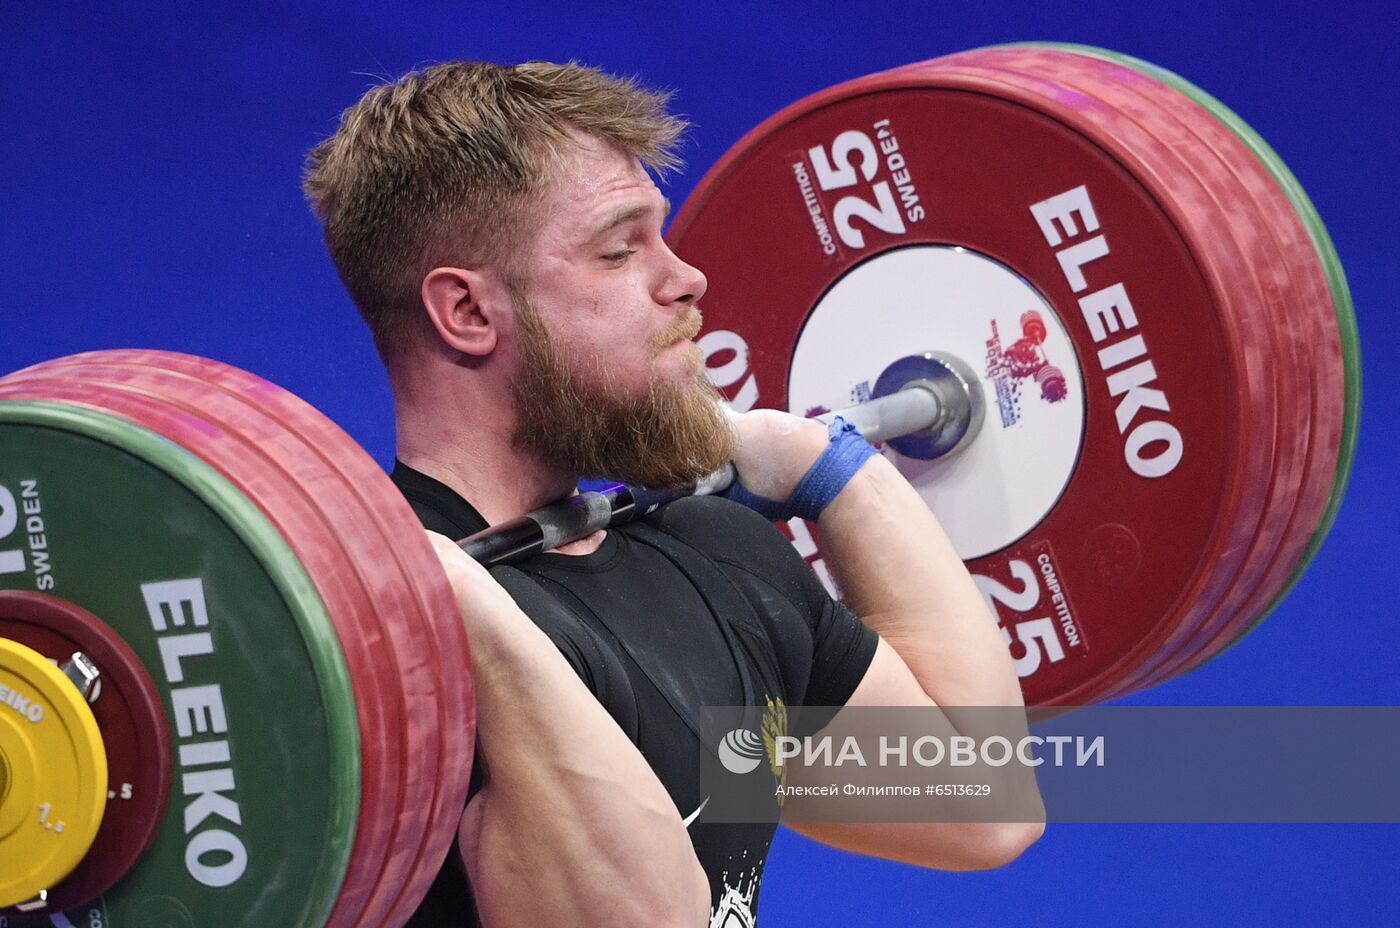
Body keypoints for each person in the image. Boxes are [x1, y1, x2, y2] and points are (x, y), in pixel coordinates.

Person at [304, 60, 1043, 927]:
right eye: (620, 251)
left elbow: (982, 804)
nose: (685, 278)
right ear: (467, 312)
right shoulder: (377, 670)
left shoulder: (716, 561)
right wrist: (472, 619)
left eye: (662, 235)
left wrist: (833, 471)